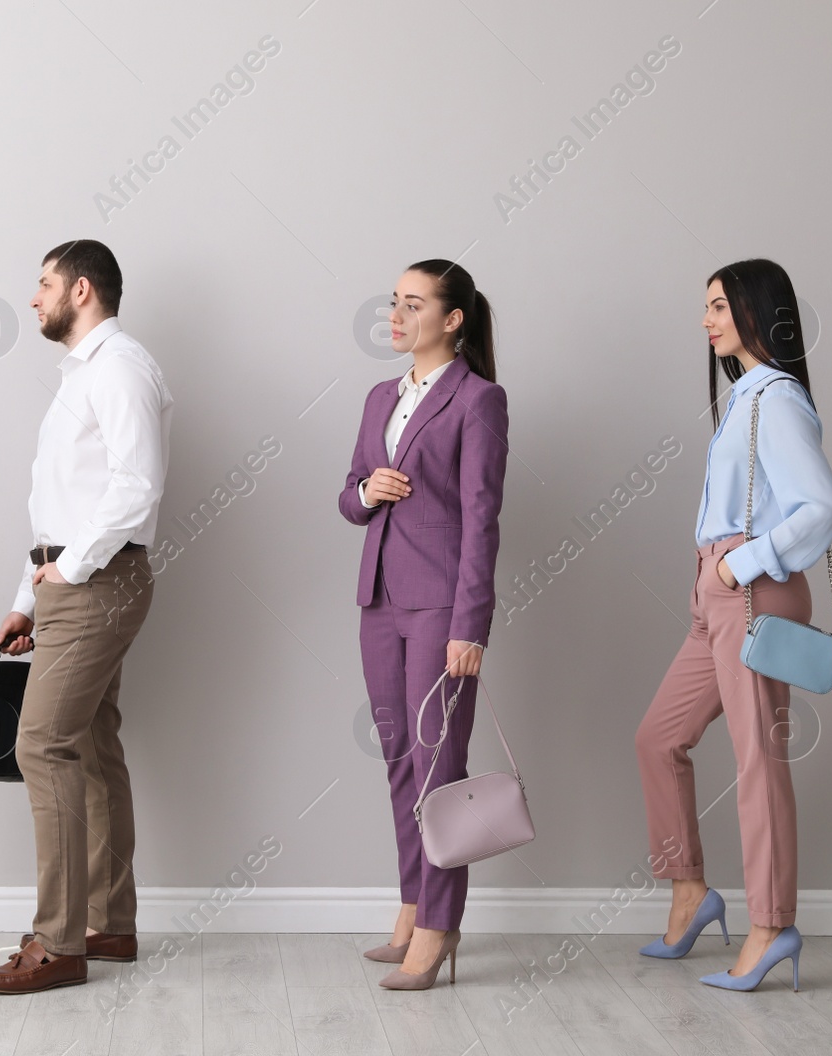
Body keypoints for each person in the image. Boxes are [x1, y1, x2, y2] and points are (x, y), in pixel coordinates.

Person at [634, 258, 832, 991]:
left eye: (719, 305)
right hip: (717, 592)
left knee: (757, 762)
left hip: (749, 590)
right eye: (706, 307)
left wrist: (738, 566)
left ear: (757, 309)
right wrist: (712, 576)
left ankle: (771, 925)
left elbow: (820, 508)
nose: (707, 320)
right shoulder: (742, 399)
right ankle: (690, 890)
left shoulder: (773, 398)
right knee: (659, 739)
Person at [0, 240, 173, 994]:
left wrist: (72, 570)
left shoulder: (119, 367)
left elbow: (137, 484)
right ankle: (108, 923)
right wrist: (27, 599)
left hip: (97, 579)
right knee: (88, 744)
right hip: (74, 578)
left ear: (81, 290)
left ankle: (59, 943)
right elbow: (60, 505)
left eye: (45, 284)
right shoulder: (87, 373)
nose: (34, 298)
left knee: (42, 743)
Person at [339, 260, 508, 990]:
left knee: (439, 765)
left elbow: (482, 518)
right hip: (379, 599)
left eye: (413, 305)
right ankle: (412, 904)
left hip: (442, 608)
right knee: (400, 761)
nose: (396, 316)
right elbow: (348, 496)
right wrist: (367, 492)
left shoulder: (479, 400)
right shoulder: (381, 395)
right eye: (394, 303)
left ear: (453, 319)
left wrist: (471, 624)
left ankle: (438, 928)